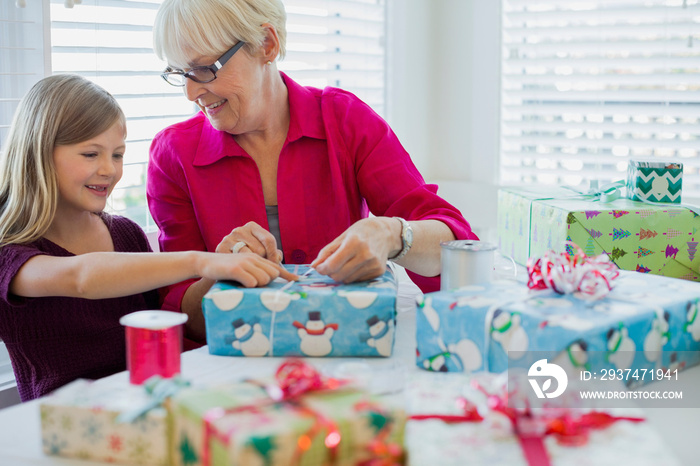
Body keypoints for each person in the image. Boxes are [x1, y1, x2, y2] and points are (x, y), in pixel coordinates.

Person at [149, 0, 478, 343]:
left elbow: (457, 252)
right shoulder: (172, 156)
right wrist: (214, 271)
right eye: (179, 74)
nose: (190, 92)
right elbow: (180, 319)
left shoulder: (345, 121)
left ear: (267, 45)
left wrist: (392, 235)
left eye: (204, 69)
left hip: (349, 354)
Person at [0, 75, 295, 401]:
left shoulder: (126, 235)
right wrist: (200, 260)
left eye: (117, 155)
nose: (109, 170)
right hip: (64, 429)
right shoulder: (10, 253)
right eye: (90, 154)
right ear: (39, 153)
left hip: (148, 416)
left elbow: (178, 329)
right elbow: (80, 277)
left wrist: (218, 273)